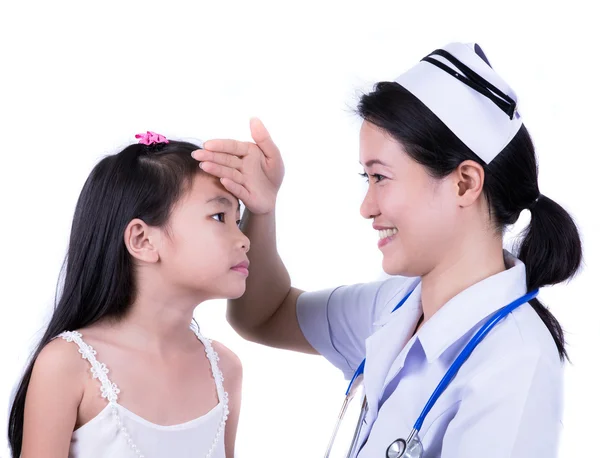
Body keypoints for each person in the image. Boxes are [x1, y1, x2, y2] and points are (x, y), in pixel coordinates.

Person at [191, 43, 583, 457]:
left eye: (380, 177)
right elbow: (263, 315)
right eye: (367, 177)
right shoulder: (395, 305)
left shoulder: (516, 362)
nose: (366, 207)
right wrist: (261, 209)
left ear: (464, 183)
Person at [8, 131, 246, 458]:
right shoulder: (67, 365)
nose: (244, 239)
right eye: (219, 217)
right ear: (143, 240)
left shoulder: (225, 370)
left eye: (239, 219)